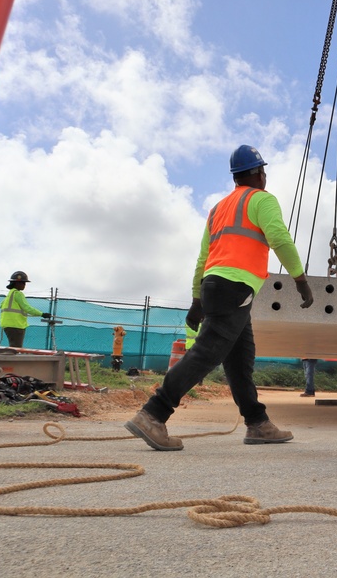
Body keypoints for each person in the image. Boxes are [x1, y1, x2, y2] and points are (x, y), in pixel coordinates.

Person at [125, 145, 314, 451]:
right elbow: (279, 237)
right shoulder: (262, 200)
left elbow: (203, 257)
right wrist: (300, 280)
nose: (265, 176)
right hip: (235, 287)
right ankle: (153, 414)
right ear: (256, 173)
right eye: (263, 170)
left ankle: (258, 424)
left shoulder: (218, 208)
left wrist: (197, 300)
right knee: (206, 353)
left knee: (240, 361)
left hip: (215, 284)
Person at [0, 271, 51, 348]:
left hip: (7, 325)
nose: (25, 285)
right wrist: (42, 314)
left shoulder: (10, 294)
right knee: (16, 349)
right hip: (16, 325)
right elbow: (27, 308)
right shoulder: (18, 294)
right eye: (23, 283)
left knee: (13, 347)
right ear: (17, 283)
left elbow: (1, 306)